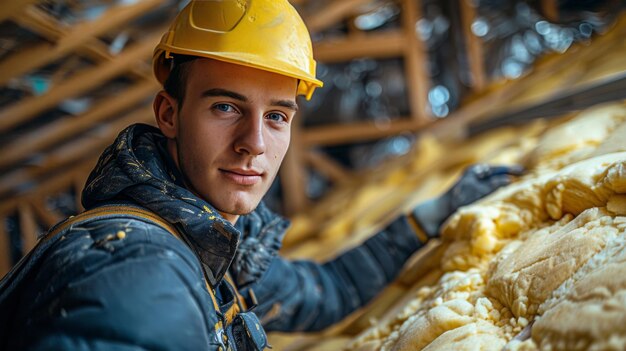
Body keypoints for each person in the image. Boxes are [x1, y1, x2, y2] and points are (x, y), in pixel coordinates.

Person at [0, 1, 522, 350]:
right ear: (168, 114)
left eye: (276, 116)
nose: (254, 142)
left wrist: (428, 216)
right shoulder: (139, 269)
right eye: (226, 107)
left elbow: (325, 290)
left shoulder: (211, 245)